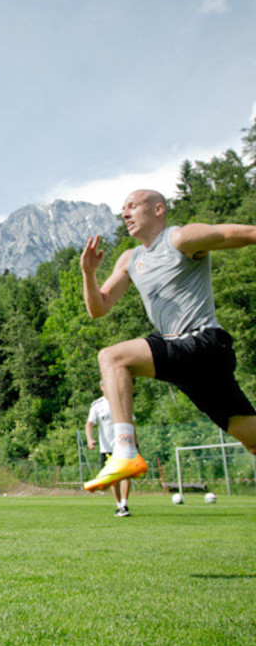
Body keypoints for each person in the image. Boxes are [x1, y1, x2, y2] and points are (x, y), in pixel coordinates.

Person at [80, 188, 256, 492]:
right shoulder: (129, 259)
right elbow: (99, 308)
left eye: (133, 206)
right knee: (252, 440)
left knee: (112, 357)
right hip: (187, 361)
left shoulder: (181, 239)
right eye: (123, 209)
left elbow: (247, 233)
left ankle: (124, 451)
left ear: (159, 209)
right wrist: (88, 273)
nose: (125, 214)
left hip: (203, 343)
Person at [86, 391, 132, 516]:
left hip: (123, 446)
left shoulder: (122, 401)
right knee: (113, 479)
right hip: (107, 449)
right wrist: (90, 440)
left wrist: (135, 443)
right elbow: (89, 424)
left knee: (126, 475)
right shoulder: (97, 405)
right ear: (102, 387)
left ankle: (124, 504)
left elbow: (131, 422)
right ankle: (118, 505)